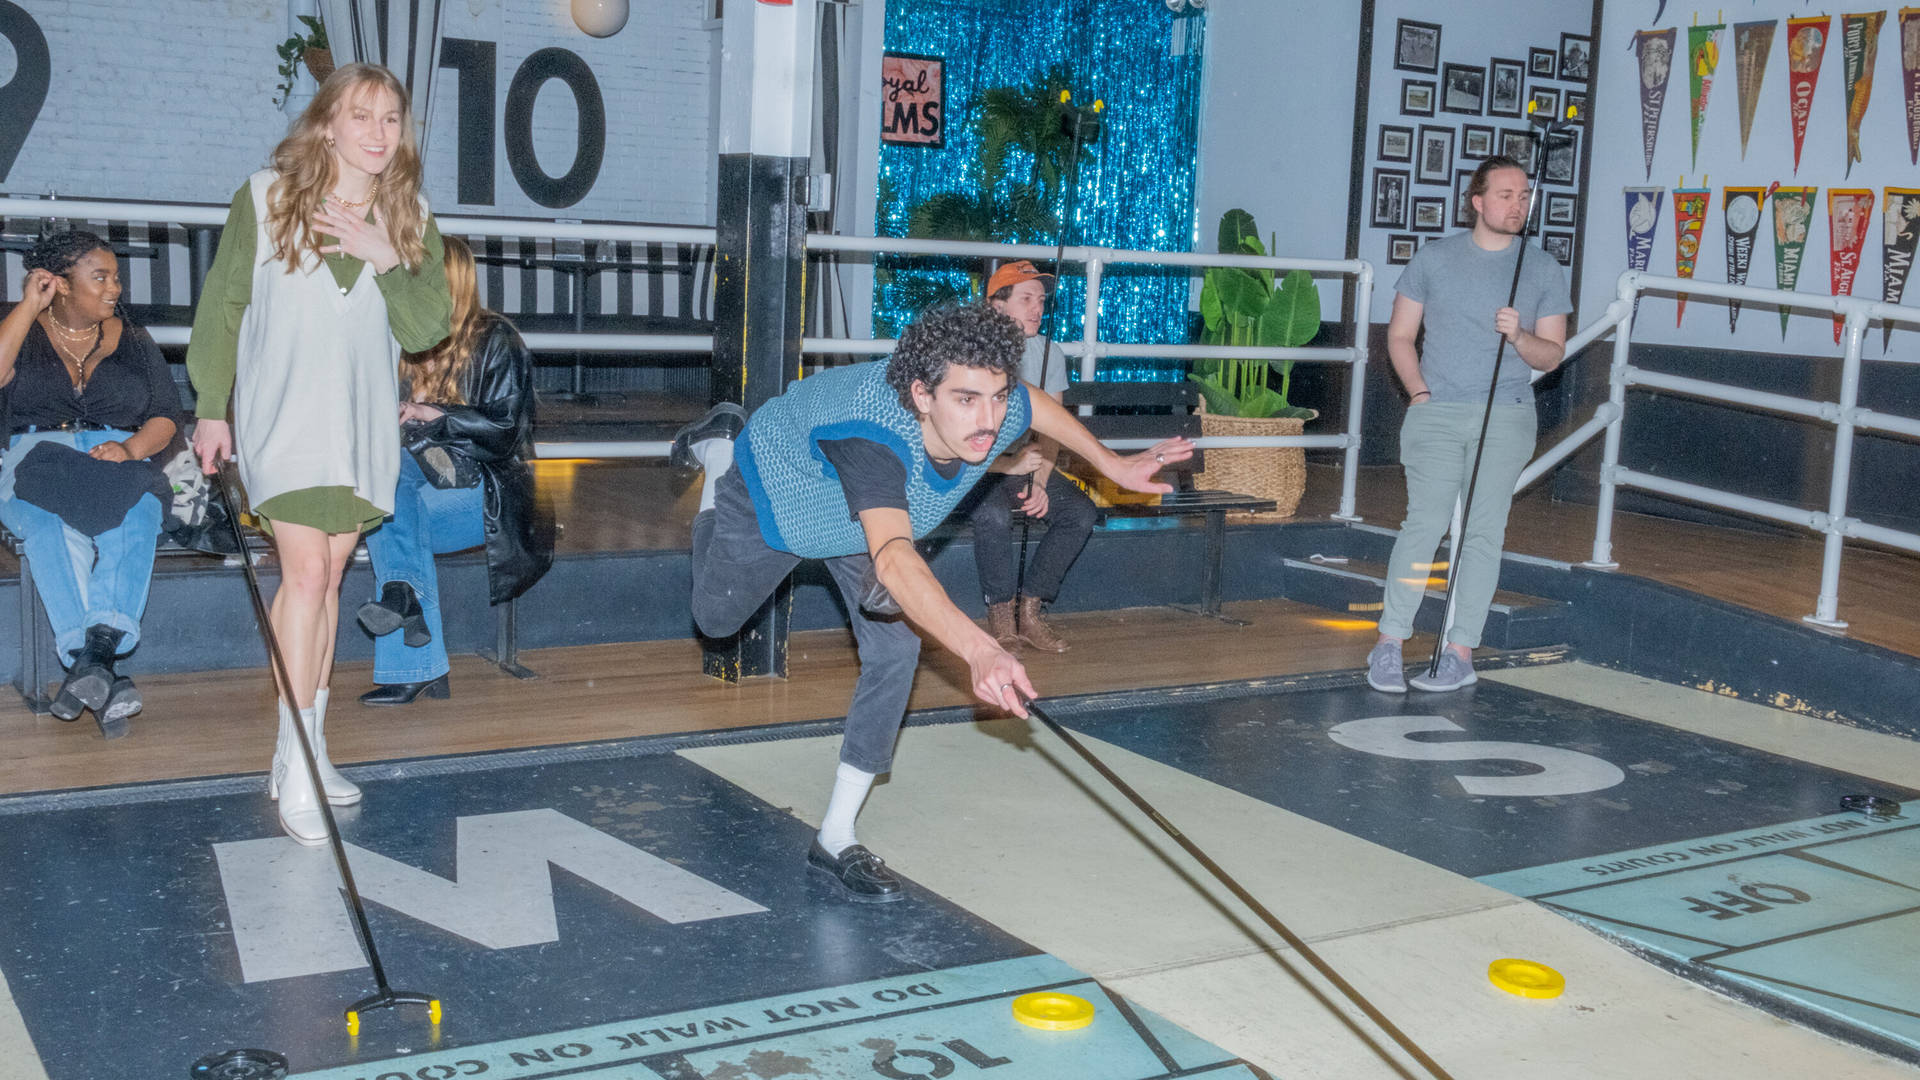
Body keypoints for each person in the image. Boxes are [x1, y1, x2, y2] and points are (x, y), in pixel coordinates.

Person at [671, 303, 1190, 903]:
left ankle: (836, 836)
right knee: (715, 621)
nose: (989, 419)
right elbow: (894, 558)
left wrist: (1111, 464)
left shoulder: (993, 399)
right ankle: (717, 457)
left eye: (994, 398)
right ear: (921, 394)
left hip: (868, 519)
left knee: (896, 648)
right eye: (966, 400)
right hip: (778, 498)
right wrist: (981, 649)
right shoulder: (872, 439)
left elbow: (1033, 401)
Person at [187, 63, 451, 845]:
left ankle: (300, 746)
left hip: (361, 424)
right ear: (327, 124)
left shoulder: (412, 215)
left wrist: (385, 253)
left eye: (391, 119)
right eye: (361, 117)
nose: (377, 134)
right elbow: (224, 305)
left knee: (330, 578)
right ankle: (298, 764)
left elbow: (426, 326)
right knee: (304, 574)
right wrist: (210, 407)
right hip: (284, 416)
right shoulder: (267, 197)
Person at [1367, 156, 1570, 694]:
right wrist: (1420, 393)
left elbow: (1551, 356)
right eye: (1506, 195)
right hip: (1437, 411)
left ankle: (1460, 651)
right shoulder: (1434, 260)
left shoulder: (1543, 268)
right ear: (1477, 201)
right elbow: (1400, 336)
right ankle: (1389, 642)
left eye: (1524, 196)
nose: (1518, 205)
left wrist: (1520, 336)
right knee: (1425, 524)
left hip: (1504, 415)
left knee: (1483, 534)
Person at [355, 236, 554, 705]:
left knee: (389, 496)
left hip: (489, 497)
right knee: (391, 499)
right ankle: (406, 607)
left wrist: (438, 416)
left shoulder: (496, 338)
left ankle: (408, 623)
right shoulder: (398, 337)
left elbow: (506, 430)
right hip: (422, 494)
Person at [0, 231, 182, 738]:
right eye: (99, 277)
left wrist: (129, 449)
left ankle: (92, 658)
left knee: (138, 515)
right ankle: (99, 663)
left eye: (116, 277)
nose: (113, 288)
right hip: (36, 459)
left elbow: (166, 415)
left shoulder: (134, 338)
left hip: (117, 456)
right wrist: (26, 305)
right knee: (47, 523)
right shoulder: (20, 329)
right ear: (58, 283)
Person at [961, 259, 1098, 652]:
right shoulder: (970, 352)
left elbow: (1052, 428)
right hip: (976, 468)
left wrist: (1039, 479)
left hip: (1023, 463)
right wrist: (1008, 465)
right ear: (996, 306)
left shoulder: (1047, 353)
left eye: (1040, 300)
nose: (1037, 308)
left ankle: (1031, 610)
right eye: (1026, 299)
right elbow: (959, 439)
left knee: (1080, 513)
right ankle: (1001, 613)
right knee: (993, 515)